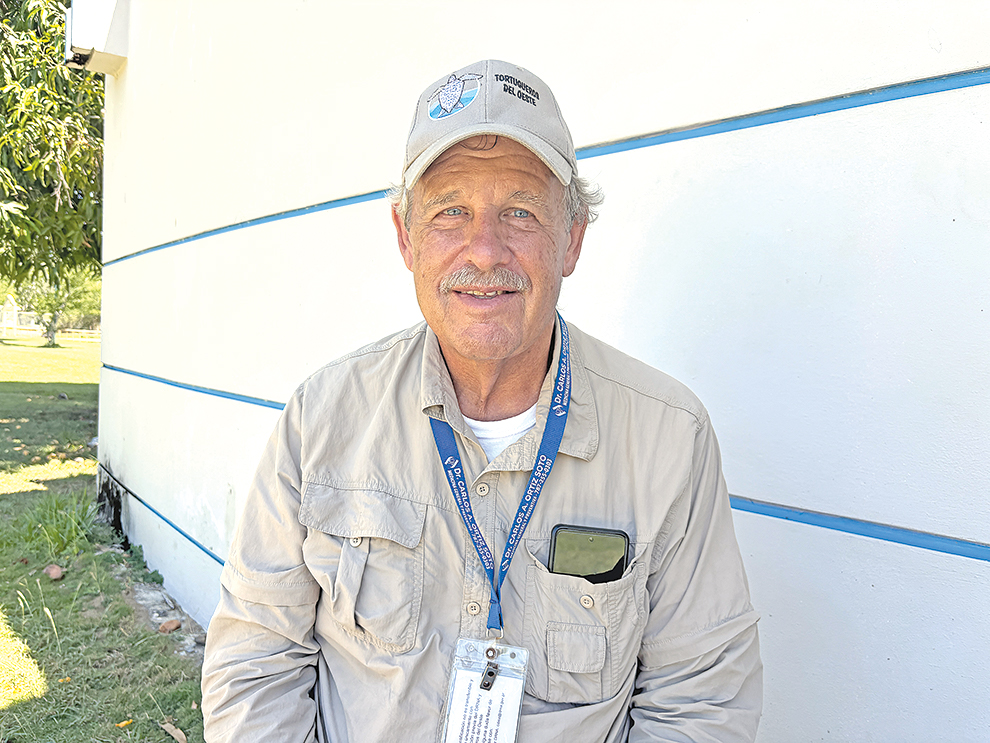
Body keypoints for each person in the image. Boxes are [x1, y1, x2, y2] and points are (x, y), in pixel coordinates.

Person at [201, 59, 762, 743]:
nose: (485, 250)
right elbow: (256, 658)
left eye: (520, 212)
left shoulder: (670, 437)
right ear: (407, 239)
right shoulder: (321, 418)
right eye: (451, 212)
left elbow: (701, 698)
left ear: (572, 240)